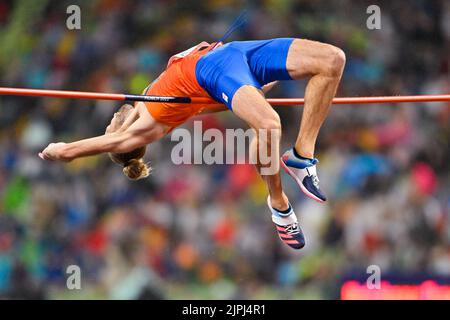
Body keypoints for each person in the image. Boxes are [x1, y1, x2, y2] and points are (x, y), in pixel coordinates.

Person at [39, 38, 346, 250]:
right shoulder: (147, 126)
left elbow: (209, 101)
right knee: (268, 124)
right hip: (217, 70)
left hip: (237, 55)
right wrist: (64, 151)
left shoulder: (148, 97)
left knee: (332, 60)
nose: (109, 123)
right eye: (110, 130)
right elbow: (114, 141)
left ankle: (301, 155)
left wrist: (255, 88)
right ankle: (279, 205)